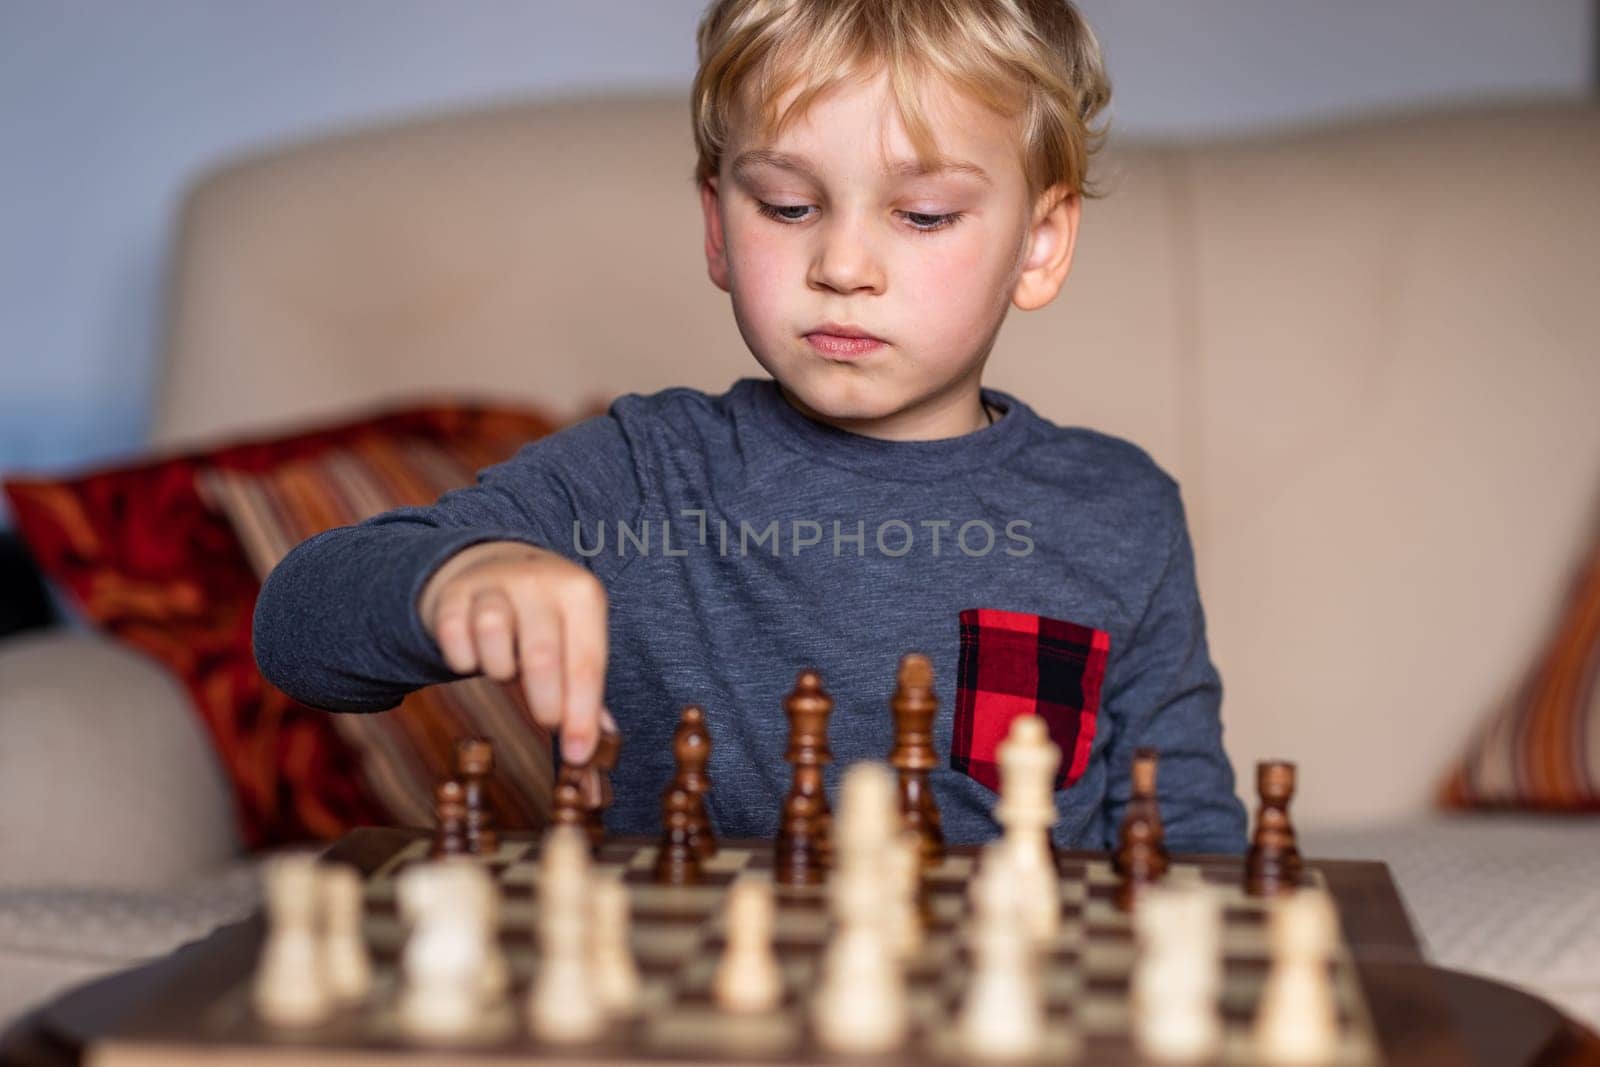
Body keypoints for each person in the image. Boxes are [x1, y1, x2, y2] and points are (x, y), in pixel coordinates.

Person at [252, 0, 1247, 853]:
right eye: (786, 204)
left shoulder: (1118, 509)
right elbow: (295, 627)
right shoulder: (638, 472)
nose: (843, 263)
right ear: (715, 224)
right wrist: (450, 577)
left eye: (925, 214)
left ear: (1039, 243)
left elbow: (1190, 835)